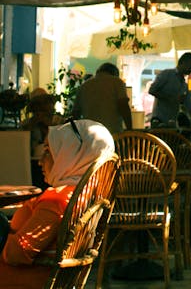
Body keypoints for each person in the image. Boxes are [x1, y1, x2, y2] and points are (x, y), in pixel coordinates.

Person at [0, 119, 115, 286]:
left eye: (48, 151)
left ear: (69, 155)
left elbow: (17, 254)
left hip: (22, 279)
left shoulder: (58, 199)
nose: (40, 160)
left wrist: (5, 236)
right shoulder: (87, 194)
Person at [72, 62, 132, 134]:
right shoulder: (117, 82)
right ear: (115, 73)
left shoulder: (84, 85)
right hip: (113, 132)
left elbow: (76, 113)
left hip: (89, 133)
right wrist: (130, 129)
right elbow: (123, 106)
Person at [149, 52, 191, 128]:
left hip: (172, 123)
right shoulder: (166, 74)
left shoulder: (184, 85)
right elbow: (152, 90)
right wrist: (170, 98)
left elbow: (190, 106)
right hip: (158, 120)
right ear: (183, 63)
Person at [21, 89, 57, 189]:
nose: (41, 113)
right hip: (33, 166)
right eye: (39, 109)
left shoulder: (57, 123)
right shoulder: (28, 125)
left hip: (52, 165)